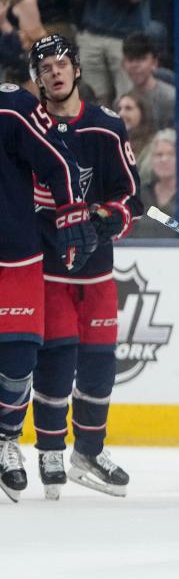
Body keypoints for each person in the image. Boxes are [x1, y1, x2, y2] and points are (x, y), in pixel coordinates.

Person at [27, 34, 142, 499]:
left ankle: (88, 451)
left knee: (98, 364)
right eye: (44, 67)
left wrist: (107, 216)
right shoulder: (25, 127)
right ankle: (50, 451)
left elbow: (129, 194)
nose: (54, 72)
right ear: (36, 79)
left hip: (96, 269)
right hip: (46, 269)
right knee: (56, 360)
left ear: (77, 70)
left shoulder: (106, 127)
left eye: (61, 64)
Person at [0, 83, 95, 503]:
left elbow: (58, 159)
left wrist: (72, 209)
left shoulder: (12, 105)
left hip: (14, 254)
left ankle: (6, 439)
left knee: (19, 359)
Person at [121, 32, 175, 129]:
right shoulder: (122, 102)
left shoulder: (170, 98)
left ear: (154, 63)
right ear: (123, 64)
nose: (134, 66)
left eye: (140, 59)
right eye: (130, 59)